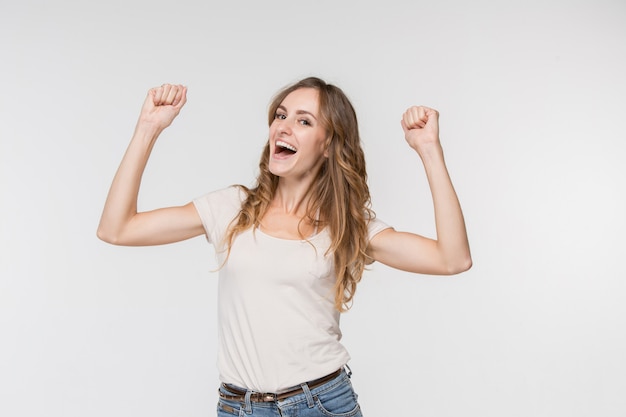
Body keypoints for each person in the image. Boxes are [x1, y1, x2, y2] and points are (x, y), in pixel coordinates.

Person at [97, 76, 471, 417]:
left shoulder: (347, 226)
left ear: (328, 145)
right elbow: (117, 229)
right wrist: (148, 129)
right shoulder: (231, 209)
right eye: (280, 115)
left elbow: (452, 259)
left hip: (320, 405)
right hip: (238, 407)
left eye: (304, 121)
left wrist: (428, 149)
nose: (283, 127)